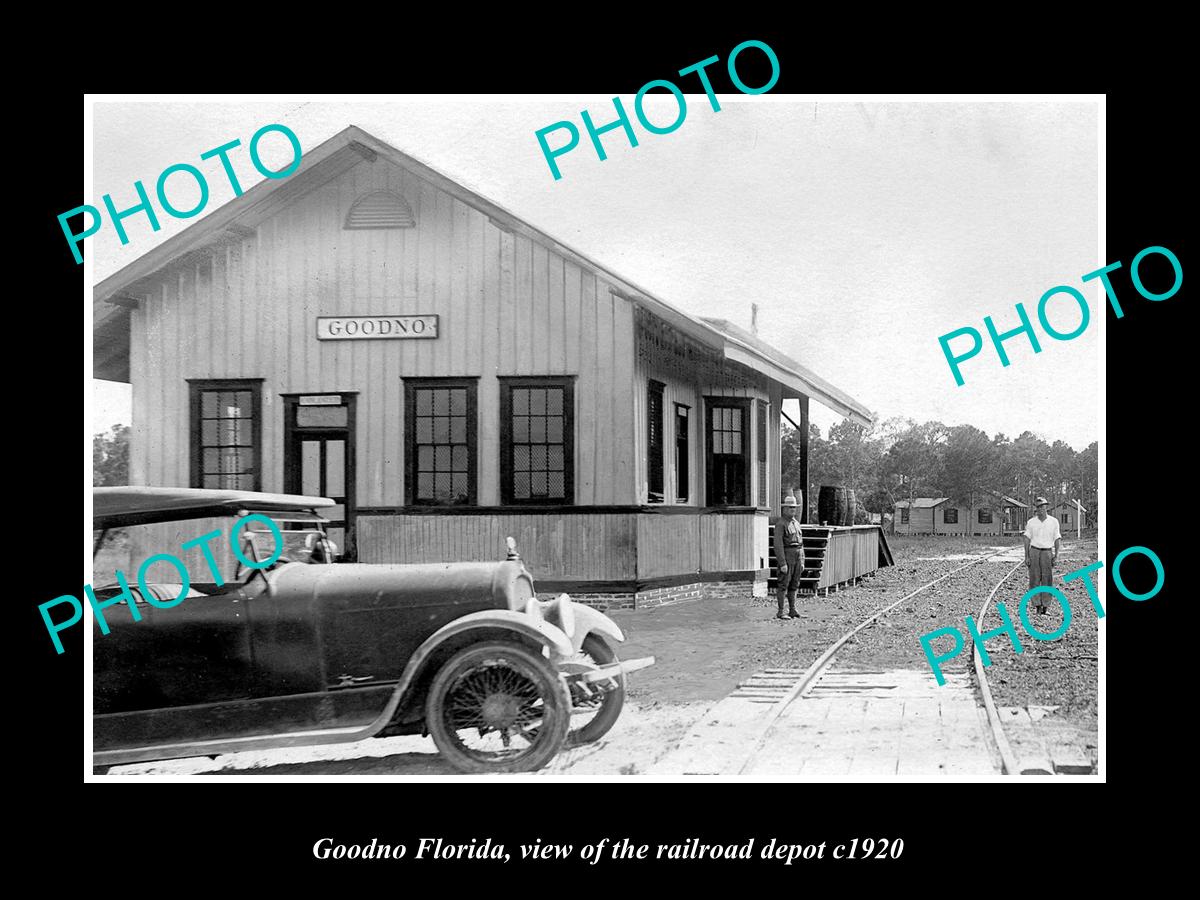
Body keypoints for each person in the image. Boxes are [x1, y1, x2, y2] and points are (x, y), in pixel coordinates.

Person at [1023, 496, 1061, 613]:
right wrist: (1027, 556)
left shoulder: (1053, 521)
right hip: (1034, 551)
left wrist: (1056, 555)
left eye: (1042, 507)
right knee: (1034, 579)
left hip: (1047, 552)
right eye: (1038, 507)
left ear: (1046, 507)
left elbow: (1057, 538)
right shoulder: (1031, 522)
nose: (1040, 509)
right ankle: (1037, 606)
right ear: (1036, 509)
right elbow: (1026, 539)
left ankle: (1045, 606)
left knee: (1047, 579)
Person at [773, 493, 805, 620]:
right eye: (790, 508)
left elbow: (801, 543)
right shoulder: (781, 524)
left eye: (794, 508)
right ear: (784, 509)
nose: (793, 510)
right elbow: (778, 545)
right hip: (787, 555)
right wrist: (782, 563)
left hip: (797, 555)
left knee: (794, 584)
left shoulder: (796, 523)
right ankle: (781, 611)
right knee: (783, 584)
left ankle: (793, 609)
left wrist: (802, 560)